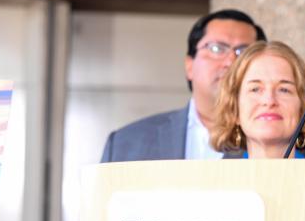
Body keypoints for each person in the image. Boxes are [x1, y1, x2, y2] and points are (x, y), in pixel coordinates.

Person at [100, 9, 266, 162]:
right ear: (189, 65)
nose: (230, 61)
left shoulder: (277, 141)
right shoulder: (126, 143)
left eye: (243, 52)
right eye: (216, 48)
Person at [210, 41, 305, 159]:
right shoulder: (215, 177)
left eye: (284, 90)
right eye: (255, 89)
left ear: (304, 106)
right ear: (234, 108)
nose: (269, 101)